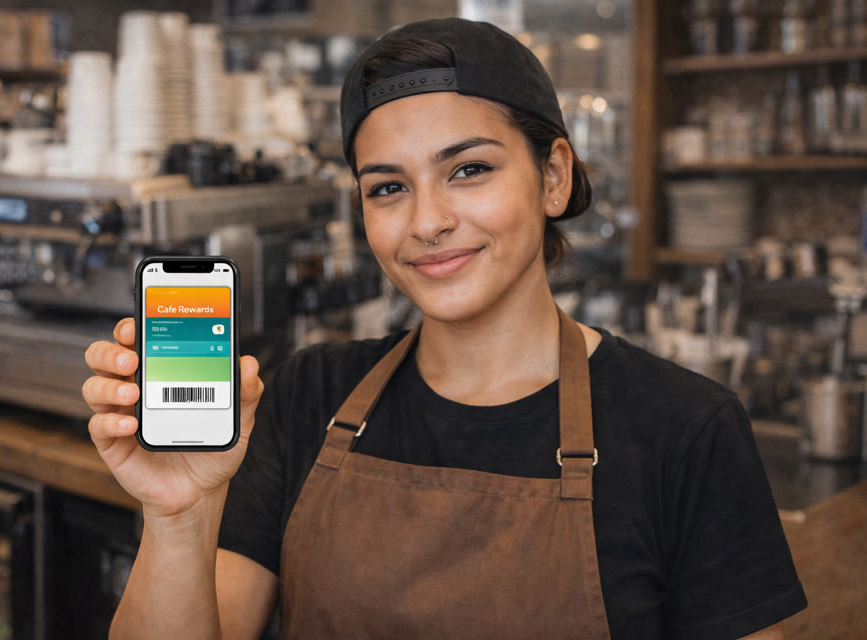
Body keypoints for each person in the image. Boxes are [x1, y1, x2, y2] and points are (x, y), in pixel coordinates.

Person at [82, 17, 806, 640]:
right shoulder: (309, 396)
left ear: (554, 176)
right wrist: (179, 513)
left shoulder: (685, 430)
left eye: (468, 170)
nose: (427, 221)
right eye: (388, 188)